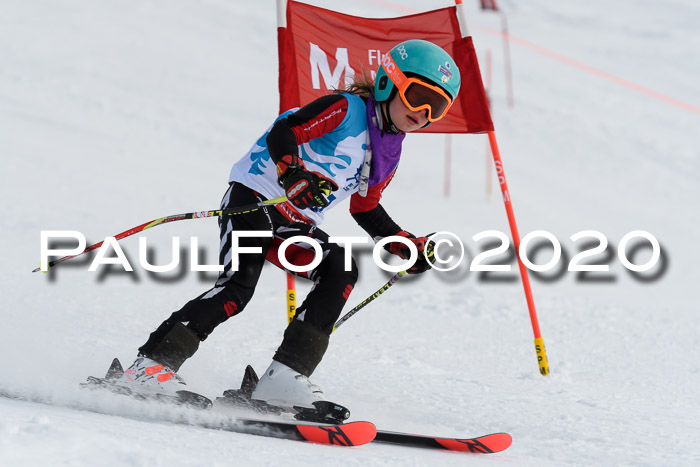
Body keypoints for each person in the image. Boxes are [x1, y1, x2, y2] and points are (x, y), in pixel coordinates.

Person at [115, 39, 461, 409]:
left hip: (296, 223)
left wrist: (404, 244)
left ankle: (284, 376)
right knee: (237, 288)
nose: (423, 113)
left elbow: (365, 208)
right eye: (417, 96)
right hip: (257, 198)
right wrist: (292, 171)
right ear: (388, 82)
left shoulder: (390, 150)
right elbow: (287, 130)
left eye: (436, 107)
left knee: (341, 268)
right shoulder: (346, 109)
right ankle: (149, 366)